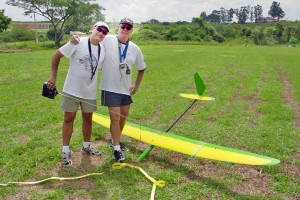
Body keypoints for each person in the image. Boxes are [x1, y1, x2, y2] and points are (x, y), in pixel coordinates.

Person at [71, 17, 146, 162]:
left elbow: (142, 68)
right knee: (115, 118)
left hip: (125, 89)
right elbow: (93, 38)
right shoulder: (108, 40)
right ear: (118, 27)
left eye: (128, 28)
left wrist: (136, 85)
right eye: (122, 26)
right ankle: (117, 150)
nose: (125, 29)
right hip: (110, 88)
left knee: (123, 118)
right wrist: (76, 39)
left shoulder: (135, 48)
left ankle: (114, 142)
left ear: (131, 31)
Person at [47, 21, 109, 167]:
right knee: (69, 118)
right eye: (99, 29)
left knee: (88, 119)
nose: (101, 33)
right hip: (72, 89)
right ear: (92, 29)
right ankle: (65, 151)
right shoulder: (78, 42)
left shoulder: (102, 49)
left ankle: (86, 146)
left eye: (104, 32)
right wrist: (53, 76)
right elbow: (56, 56)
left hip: (89, 91)